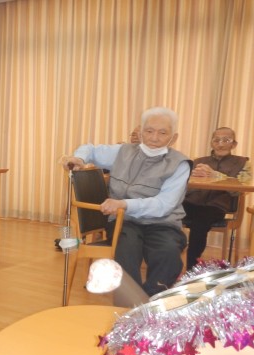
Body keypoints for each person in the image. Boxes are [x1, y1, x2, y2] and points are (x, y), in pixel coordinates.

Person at [62, 107, 191, 296]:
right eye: (149, 131)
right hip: (124, 221)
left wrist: (124, 204)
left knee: (168, 254)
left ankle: (147, 301)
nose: (154, 138)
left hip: (163, 223)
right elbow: (90, 149)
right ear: (141, 132)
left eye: (163, 133)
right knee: (126, 251)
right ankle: (131, 302)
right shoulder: (123, 151)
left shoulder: (180, 164)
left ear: (174, 137)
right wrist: (79, 157)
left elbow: (164, 205)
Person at [183, 127, 249, 269]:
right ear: (211, 143)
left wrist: (216, 175)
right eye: (216, 140)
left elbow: (241, 188)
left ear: (234, 144)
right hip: (192, 202)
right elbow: (185, 187)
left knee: (200, 221)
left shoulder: (242, 163)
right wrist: (193, 179)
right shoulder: (199, 161)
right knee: (167, 211)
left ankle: (191, 269)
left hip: (217, 206)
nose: (221, 144)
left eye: (226, 140)